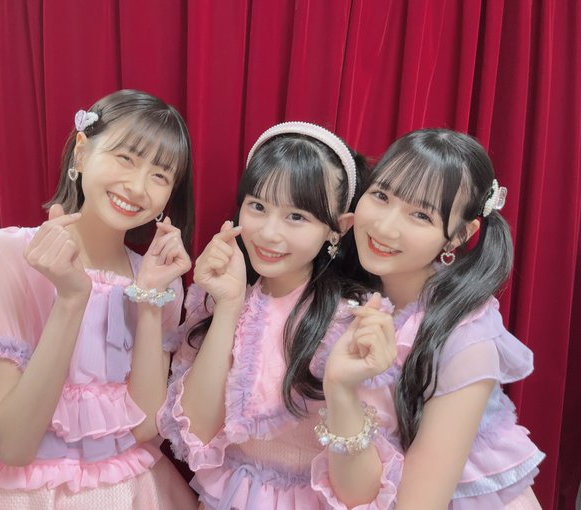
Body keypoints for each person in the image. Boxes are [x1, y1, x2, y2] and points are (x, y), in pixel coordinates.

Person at [0, 89, 199, 509]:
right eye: (125, 158)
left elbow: (143, 432)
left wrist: (149, 302)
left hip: (132, 494)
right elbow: (14, 445)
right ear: (81, 152)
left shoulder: (161, 282)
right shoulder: (4, 257)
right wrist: (70, 299)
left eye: (160, 175)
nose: (137, 187)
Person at [158, 122, 403, 509]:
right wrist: (228, 307)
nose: (269, 233)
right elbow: (196, 436)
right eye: (258, 206)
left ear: (338, 229)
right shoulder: (219, 296)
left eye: (297, 217)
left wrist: (341, 387)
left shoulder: (351, 322)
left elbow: (361, 496)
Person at [352, 128, 545, 509]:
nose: (384, 227)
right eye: (381, 196)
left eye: (420, 215)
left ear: (458, 236)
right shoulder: (354, 289)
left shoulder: (466, 336)